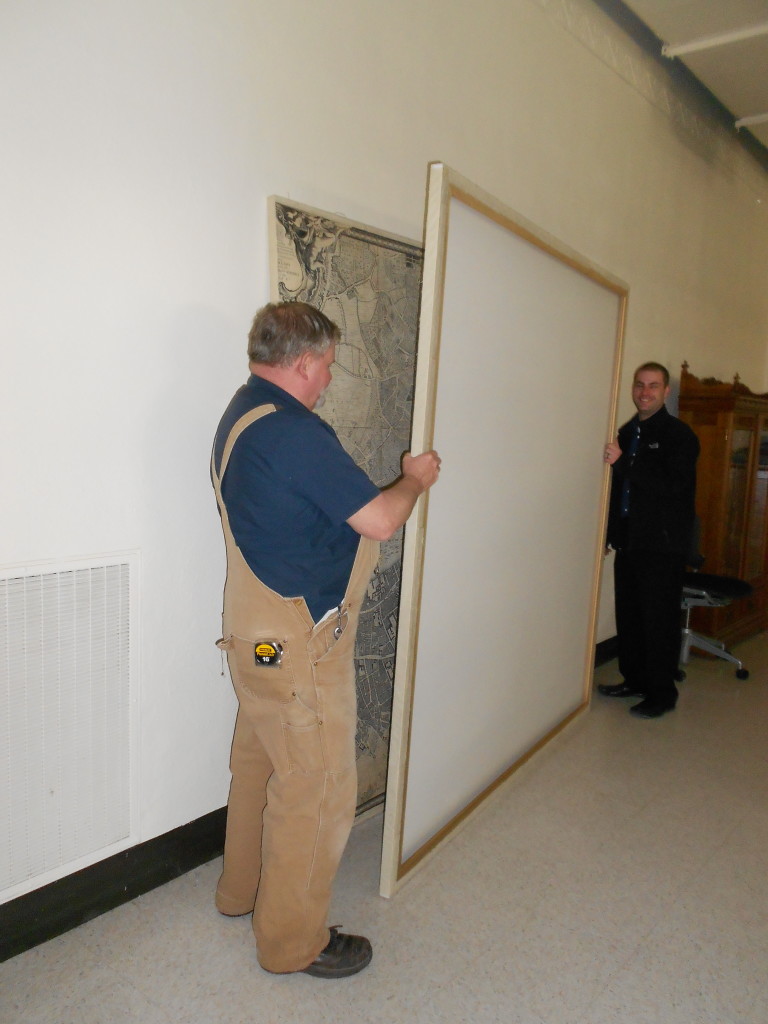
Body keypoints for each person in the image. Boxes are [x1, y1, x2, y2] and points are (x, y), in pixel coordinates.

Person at [210, 301, 441, 978]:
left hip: (256, 644)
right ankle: (291, 943)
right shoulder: (293, 434)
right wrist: (415, 479)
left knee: (260, 766)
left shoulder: (239, 415)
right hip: (300, 649)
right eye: (328, 367)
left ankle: (240, 893)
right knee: (318, 791)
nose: (328, 380)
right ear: (304, 361)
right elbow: (379, 520)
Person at [599, 362, 699, 719]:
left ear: (666, 392)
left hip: (662, 545)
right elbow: (617, 491)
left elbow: (672, 489)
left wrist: (625, 463)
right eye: (640, 385)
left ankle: (661, 693)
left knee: (657, 620)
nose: (645, 392)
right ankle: (635, 680)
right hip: (630, 540)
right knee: (630, 616)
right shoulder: (628, 433)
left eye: (653, 386)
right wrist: (608, 535)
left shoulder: (679, 436)